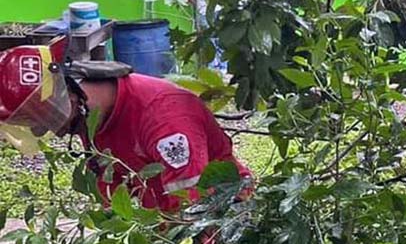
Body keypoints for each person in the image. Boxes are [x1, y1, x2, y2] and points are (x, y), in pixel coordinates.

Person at [0, 43, 250, 212]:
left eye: (43, 118)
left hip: (223, 213)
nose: (52, 130)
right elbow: (113, 190)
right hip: (163, 221)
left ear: (67, 97)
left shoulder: (164, 118)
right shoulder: (91, 117)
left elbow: (194, 210)